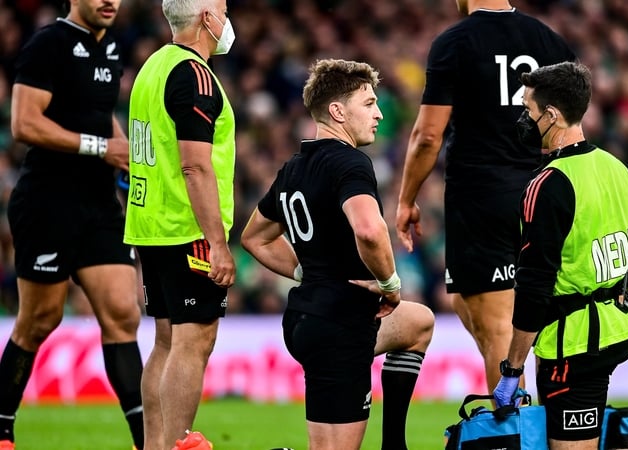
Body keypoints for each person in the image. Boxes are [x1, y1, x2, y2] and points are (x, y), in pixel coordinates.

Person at [240, 59, 434, 450]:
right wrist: (390, 284)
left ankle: (394, 443)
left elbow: (255, 238)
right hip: (339, 325)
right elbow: (368, 229)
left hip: (307, 316)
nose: (379, 113)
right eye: (369, 103)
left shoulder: (294, 168)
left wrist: (304, 271)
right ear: (337, 111)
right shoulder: (350, 163)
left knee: (418, 322)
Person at [395, 0, 575, 394]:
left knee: (498, 332)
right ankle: (546, 425)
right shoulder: (551, 41)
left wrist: (407, 198)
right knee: (476, 304)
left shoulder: (455, 42)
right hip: (543, 193)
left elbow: (428, 136)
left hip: (481, 198)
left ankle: (517, 435)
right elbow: (571, 127)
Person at [0, 0, 144, 448]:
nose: (109, 1)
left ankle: (148, 440)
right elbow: (24, 123)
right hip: (47, 202)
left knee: (123, 313)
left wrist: (128, 154)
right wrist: (100, 147)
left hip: (99, 204)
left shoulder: (113, 47)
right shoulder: (48, 44)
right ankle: (1, 428)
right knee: (38, 320)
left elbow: (101, 117)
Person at [492, 62, 628, 450]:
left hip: (574, 344)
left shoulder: (548, 184)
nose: (524, 119)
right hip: (622, 326)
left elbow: (533, 286)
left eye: (528, 110)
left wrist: (512, 368)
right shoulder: (620, 169)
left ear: (552, 115)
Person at [123, 0, 237, 448]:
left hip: (150, 224)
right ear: (207, 18)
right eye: (224, 10)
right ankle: (177, 444)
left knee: (166, 343)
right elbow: (195, 166)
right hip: (187, 229)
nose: (228, 20)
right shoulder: (195, 75)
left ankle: (153, 445)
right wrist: (217, 243)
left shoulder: (153, 66)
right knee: (194, 342)